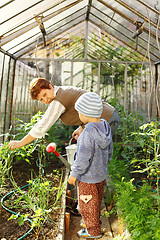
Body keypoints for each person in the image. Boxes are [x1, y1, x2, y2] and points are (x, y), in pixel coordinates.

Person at [9, 78, 119, 150]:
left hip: (107, 119)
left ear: (50, 86)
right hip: (107, 119)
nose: (46, 100)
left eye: (45, 94)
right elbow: (85, 113)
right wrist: (81, 128)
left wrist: (21, 143)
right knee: (93, 155)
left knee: (92, 156)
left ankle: (91, 184)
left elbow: (43, 125)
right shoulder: (61, 93)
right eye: (41, 99)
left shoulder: (59, 99)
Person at [68, 92, 113, 238]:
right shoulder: (104, 126)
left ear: (86, 113)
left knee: (87, 205)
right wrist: (106, 163)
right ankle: (93, 223)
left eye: (79, 112)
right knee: (95, 201)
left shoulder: (87, 133)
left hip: (87, 178)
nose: (78, 115)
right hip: (100, 174)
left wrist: (74, 174)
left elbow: (82, 159)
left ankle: (92, 231)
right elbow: (109, 149)